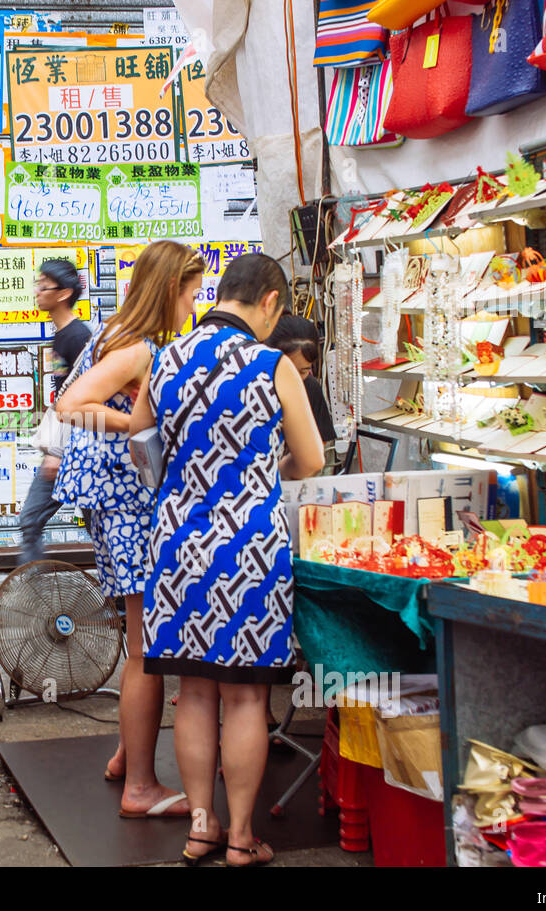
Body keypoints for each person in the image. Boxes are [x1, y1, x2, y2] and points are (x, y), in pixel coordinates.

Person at [131, 253, 324, 866]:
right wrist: (265, 470)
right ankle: (241, 837)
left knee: (193, 691)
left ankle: (200, 826)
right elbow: (312, 460)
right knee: (245, 697)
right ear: (269, 302)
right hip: (249, 548)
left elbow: (141, 443)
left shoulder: (164, 360)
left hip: (177, 546)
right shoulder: (272, 366)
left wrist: (184, 479)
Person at [55, 240, 206, 819]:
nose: (194, 306)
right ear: (170, 289)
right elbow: (72, 403)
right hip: (126, 501)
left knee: (143, 637)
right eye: (191, 294)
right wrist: (142, 422)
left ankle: (126, 756)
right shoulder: (139, 345)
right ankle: (141, 788)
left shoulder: (118, 330)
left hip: (113, 498)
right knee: (146, 648)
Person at [18, 258, 91, 566]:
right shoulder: (63, 335)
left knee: (31, 519)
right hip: (71, 447)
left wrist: (58, 451)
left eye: (43, 285)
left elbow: (86, 398)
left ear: (62, 294)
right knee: (94, 521)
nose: (37, 291)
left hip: (76, 448)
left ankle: (121, 601)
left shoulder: (77, 337)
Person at [267, 314, 338, 448]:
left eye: (303, 371)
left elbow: (319, 442)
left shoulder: (310, 387)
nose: (295, 378)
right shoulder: (254, 386)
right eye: (289, 369)